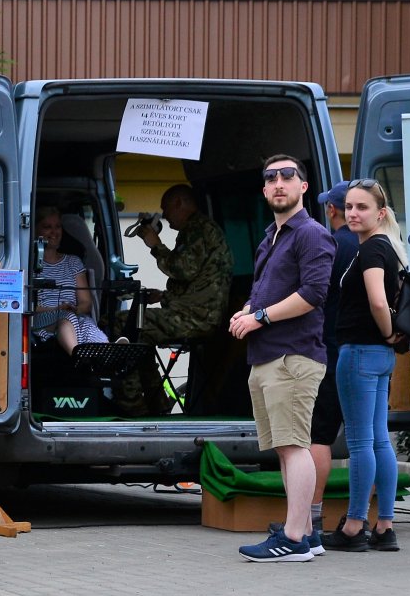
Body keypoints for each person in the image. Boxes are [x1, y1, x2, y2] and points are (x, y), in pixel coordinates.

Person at [229, 154, 335, 563]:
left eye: (288, 176)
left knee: (295, 446)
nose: (278, 183)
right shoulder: (270, 237)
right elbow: (265, 292)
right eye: (270, 177)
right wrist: (247, 309)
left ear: (303, 187)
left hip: (294, 356)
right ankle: (304, 534)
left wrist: (260, 317)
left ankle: (293, 539)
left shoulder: (311, 233)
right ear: (264, 190)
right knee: (285, 448)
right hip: (268, 356)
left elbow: (313, 294)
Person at [321, 179, 406, 553]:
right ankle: (385, 525)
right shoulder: (389, 247)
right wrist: (389, 340)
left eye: (362, 208)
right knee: (379, 439)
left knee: (360, 443)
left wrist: (387, 332)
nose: (353, 213)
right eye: (350, 206)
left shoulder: (371, 250)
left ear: (380, 213)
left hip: (358, 352)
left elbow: (376, 301)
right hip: (380, 357)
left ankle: (355, 525)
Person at [305, 181, 361, 547]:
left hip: (331, 347)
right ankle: (369, 522)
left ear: (331, 210)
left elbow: (314, 296)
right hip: (367, 351)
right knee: (365, 440)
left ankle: (310, 520)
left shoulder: (331, 245)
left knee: (318, 436)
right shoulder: (378, 244)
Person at [133, 185, 232, 341]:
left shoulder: (199, 229)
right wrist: (163, 296)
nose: (165, 215)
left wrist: (156, 245)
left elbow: (183, 270)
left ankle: (139, 366)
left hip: (195, 319)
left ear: (179, 203)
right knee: (137, 326)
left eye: (166, 209)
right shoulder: (197, 228)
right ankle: (143, 366)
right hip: (199, 315)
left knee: (122, 323)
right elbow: (196, 283)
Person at [32, 206, 107, 353]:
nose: (54, 232)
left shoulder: (73, 262)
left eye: (58, 227)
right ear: (35, 231)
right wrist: (58, 309)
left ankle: (106, 350)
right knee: (68, 316)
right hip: (40, 320)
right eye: (47, 227)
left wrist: (76, 309)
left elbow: (86, 303)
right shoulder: (29, 264)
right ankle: (77, 355)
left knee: (86, 323)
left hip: (73, 317)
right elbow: (27, 306)